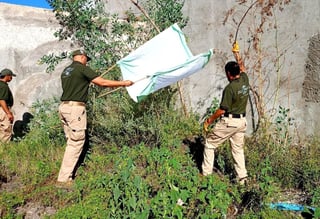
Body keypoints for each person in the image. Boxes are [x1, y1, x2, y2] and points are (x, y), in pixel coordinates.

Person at [57, 49, 134, 187]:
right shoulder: (82, 69)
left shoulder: (66, 71)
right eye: (86, 59)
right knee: (76, 142)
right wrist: (124, 83)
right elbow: (102, 82)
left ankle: (65, 175)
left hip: (64, 107)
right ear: (81, 57)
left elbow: (77, 85)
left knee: (71, 141)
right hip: (75, 109)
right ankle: (64, 179)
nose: (87, 62)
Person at [202, 42, 249, 185]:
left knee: (210, 144)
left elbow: (222, 109)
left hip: (230, 122)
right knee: (237, 149)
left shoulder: (230, 88)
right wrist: (237, 53)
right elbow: (242, 67)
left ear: (228, 73)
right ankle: (243, 179)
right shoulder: (244, 79)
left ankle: (206, 177)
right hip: (242, 122)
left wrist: (209, 120)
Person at [0, 69, 16, 143]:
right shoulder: (3, 86)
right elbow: (2, 100)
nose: (11, 78)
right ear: (7, 76)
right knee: (6, 130)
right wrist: (8, 113)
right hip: (3, 110)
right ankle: (4, 150)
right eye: (10, 76)